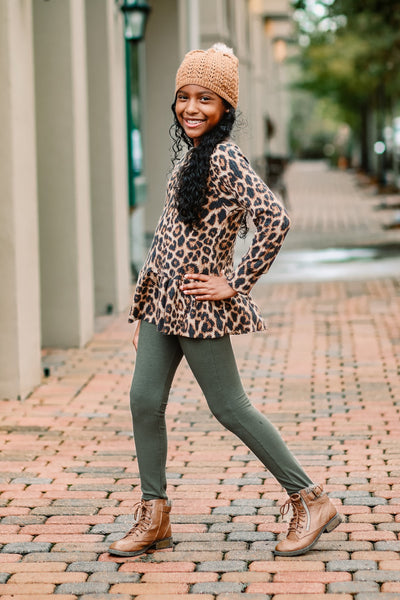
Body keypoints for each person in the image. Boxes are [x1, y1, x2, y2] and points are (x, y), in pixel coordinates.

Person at [108, 44, 341, 559]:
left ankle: (310, 497)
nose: (191, 108)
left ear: (225, 109)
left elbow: (274, 220)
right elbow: (169, 234)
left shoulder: (225, 156)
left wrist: (236, 281)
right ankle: (155, 514)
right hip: (162, 306)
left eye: (205, 99)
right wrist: (145, 299)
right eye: (184, 97)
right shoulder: (193, 155)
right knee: (144, 401)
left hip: (197, 304)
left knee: (230, 407)